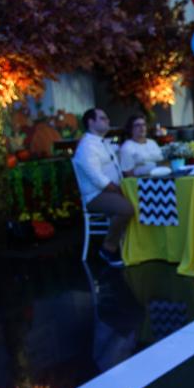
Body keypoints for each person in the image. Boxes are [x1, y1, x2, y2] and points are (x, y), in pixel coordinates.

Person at [73, 108, 134, 268]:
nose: (107, 121)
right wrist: (118, 190)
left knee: (140, 201)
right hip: (96, 195)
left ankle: (135, 248)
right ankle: (108, 249)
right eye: (102, 118)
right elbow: (97, 178)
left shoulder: (104, 142)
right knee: (125, 209)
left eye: (106, 118)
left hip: (112, 190)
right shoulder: (87, 147)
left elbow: (120, 153)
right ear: (91, 122)